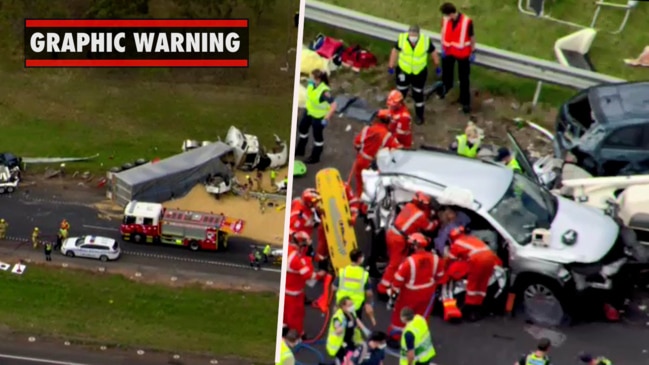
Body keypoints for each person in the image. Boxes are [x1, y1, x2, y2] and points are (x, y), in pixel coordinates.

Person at [377, 191, 439, 296]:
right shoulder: (420, 215)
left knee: (394, 261)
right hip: (399, 239)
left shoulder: (409, 206)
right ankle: (383, 288)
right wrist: (437, 221)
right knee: (395, 264)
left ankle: (389, 282)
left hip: (393, 234)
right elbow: (430, 227)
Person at [388, 233, 445, 340]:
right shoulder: (436, 258)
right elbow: (440, 276)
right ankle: (419, 336)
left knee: (402, 316)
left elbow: (398, 280)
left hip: (409, 294)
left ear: (414, 246)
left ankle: (396, 336)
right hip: (428, 292)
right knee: (422, 315)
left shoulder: (409, 262)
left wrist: (393, 294)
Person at [445, 226, 502, 321]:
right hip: (490, 258)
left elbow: (451, 259)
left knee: (473, 284)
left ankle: (469, 310)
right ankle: (478, 307)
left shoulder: (457, 243)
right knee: (482, 283)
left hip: (477, 260)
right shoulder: (472, 238)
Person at [388, 24, 441, 124]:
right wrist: (391, 65)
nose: (412, 37)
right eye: (410, 34)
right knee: (400, 94)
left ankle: (419, 116)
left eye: (414, 35)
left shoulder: (425, 41)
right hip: (404, 71)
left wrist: (437, 65)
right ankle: (397, 115)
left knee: (418, 95)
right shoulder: (402, 39)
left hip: (419, 72)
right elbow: (395, 51)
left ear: (418, 34)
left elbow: (433, 52)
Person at [352, 110, 401, 198]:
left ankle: (358, 203)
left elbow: (356, 144)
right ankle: (365, 207)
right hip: (372, 166)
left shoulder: (367, 129)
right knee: (370, 188)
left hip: (360, 160)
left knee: (359, 186)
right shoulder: (387, 135)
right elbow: (397, 149)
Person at [438, 2, 476, 114]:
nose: (445, 17)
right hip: (448, 51)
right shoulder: (445, 20)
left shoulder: (467, 22)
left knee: (464, 78)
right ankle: (447, 91)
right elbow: (443, 32)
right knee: (447, 74)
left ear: (451, 14)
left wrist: (473, 51)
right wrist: (443, 47)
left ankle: (465, 102)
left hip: (462, 53)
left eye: (446, 15)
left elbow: (472, 37)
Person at [296, 69, 338, 164]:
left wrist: (327, 118)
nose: (309, 79)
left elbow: (334, 105)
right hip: (309, 112)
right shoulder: (311, 85)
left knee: (317, 137)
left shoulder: (324, 92)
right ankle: (300, 149)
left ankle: (315, 157)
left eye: (311, 77)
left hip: (319, 117)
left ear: (318, 79)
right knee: (302, 128)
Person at [315, 182, 360, 268]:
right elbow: (316, 207)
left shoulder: (344, 187)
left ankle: (346, 260)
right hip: (328, 221)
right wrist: (319, 211)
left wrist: (353, 216)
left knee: (344, 239)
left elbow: (353, 202)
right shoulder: (320, 190)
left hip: (342, 218)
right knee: (323, 243)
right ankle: (323, 264)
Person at [284, 232, 315, 339]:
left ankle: (284, 329)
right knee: (296, 315)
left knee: (286, 313)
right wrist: (309, 259)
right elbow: (308, 274)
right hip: (293, 293)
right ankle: (298, 335)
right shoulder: (295, 258)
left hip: (289, 290)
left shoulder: (290, 251)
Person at [333, 249, 374, 323]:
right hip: (355, 307)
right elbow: (369, 293)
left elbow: (333, 288)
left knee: (339, 324)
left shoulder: (343, 271)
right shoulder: (364, 274)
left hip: (341, 304)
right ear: (359, 259)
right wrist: (369, 303)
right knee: (354, 325)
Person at [326, 296, 371, 364]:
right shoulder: (338, 317)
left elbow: (356, 320)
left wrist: (365, 330)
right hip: (340, 344)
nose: (352, 306)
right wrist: (343, 324)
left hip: (349, 340)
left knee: (360, 349)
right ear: (343, 307)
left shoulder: (351, 312)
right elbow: (338, 331)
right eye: (349, 305)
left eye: (352, 304)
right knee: (345, 360)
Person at [289, 188, 322, 254]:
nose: (316, 204)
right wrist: (305, 241)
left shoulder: (299, 201)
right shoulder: (298, 217)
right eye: (314, 203)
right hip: (300, 245)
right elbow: (291, 233)